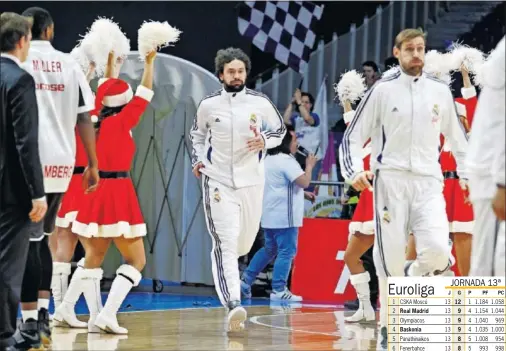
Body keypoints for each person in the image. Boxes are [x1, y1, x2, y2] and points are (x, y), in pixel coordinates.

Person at [339, 28, 469, 348]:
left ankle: (412, 279)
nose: (416, 55)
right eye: (409, 49)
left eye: (421, 49)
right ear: (397, 53)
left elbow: (459, 140)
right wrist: (354, 171)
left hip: (429, 182)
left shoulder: (440, 91)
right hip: (390, 181)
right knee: (390, 260)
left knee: (439, 250)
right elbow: (352, 138)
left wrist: (467, 175)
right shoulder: (382, 91)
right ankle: (389, 327)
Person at [55, 49, 156, 335]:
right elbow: (145, 92)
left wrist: (111, 63)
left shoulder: (95, 118)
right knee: (137, 260)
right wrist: (150, 64)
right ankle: (107, 315)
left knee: (93, 257)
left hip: (93, 192)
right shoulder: (122, 121)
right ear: (124, 103)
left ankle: (64, 308)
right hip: (118, 192)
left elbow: (106, 88)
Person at [17, 6, 98, 348]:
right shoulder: (69, 64)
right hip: (62, 165)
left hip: (26, 164)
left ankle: (31, 321)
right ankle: (45, 315)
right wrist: (92, 163)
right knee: (45, 239)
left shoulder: (16, 62)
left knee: (26, 245)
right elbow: (85, 118)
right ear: (49, 31)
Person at [189, 47, 286, 332]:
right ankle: (233, 302)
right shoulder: (208, 105)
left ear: (246, 73)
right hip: (217, 180)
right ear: (221, 75)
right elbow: (196, 136)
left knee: (243, 244)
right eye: (230, 71)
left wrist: (264, 142)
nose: (236, 76)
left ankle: (233, 292)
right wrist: (199, 161)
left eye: (240, 71)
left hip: (252, 182)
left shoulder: (260, 102)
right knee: (226, 243)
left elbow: (279, 131)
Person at [0, 13, 47, 351]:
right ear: (21, 40)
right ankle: (3, 335)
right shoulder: (20, 79)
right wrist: (37, 193)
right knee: (7, 265)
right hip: (10, 192)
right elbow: (26, 143)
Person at [240, 125, 316, 302]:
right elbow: (304, 181)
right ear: (286, 142)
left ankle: (245, 281)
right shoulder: (287, 161)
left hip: (269, 215)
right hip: (285, 218)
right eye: (295, 139)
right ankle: (279, 290)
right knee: (286, 252)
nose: (297, 143)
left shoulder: (267, 159)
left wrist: (303, 195)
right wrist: (309, 166)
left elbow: (279, 185)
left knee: (269, 249)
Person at [467, 36, 505, 277]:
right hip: (493, 174)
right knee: (489, 269)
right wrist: (502, 181)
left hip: (495, 172)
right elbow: (501, 121)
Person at [283, 89, 322, 191]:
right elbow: (285, 120)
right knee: (297, 187)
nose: (304, 104)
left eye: (306, 102)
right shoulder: (296, 118)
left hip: (311, 157)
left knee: (309, 186)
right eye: (302, 101)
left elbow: (308, 119)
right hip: (298, 156)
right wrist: (292, 102)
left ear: (311, 105)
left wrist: (299, 101)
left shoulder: (315, 116)